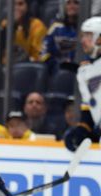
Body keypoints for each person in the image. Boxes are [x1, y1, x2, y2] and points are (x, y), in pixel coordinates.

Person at [64, 16, 101, 152]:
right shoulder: (85, 72)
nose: (83, 40)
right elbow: (90, 109)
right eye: (83, 35)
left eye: (88, 35)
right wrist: (83, 130)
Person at [40, 0, 80, 74]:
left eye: (76, 3)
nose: (72, 6)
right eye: (68, 3)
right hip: (57, 69)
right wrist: (56, 64)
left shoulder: (85, 28)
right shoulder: (56, 26)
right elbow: (44, 52)